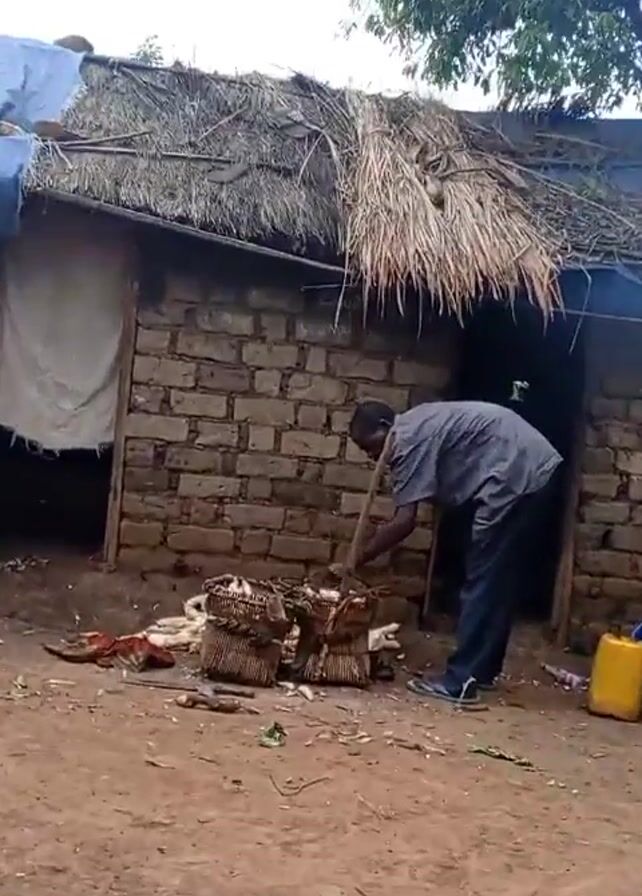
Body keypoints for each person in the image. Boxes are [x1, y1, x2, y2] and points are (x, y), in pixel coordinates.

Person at [339, 399, 562, 705]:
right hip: (531, 467)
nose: (372, 456)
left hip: (515, 473)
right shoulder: (413, 424)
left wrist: (353, 561)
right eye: (365, 451)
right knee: (497, 581)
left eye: (370, 446)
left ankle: (460, 682)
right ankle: (481, 672)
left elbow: (404, 523)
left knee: (482, 581)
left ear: (385, 427)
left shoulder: (405, 442)